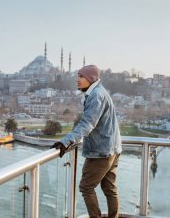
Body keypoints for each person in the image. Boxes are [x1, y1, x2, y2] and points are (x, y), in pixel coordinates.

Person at [51, 64, 122, 218]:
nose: (77, 80)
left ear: (91, 79)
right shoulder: (100, 92)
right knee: (110, 188)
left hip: (102, 151)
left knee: (86, 187)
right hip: (113, 148)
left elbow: (87, 124)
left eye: (81, 77)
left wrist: (66, 141)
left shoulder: (96, 95)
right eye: (78, 76)